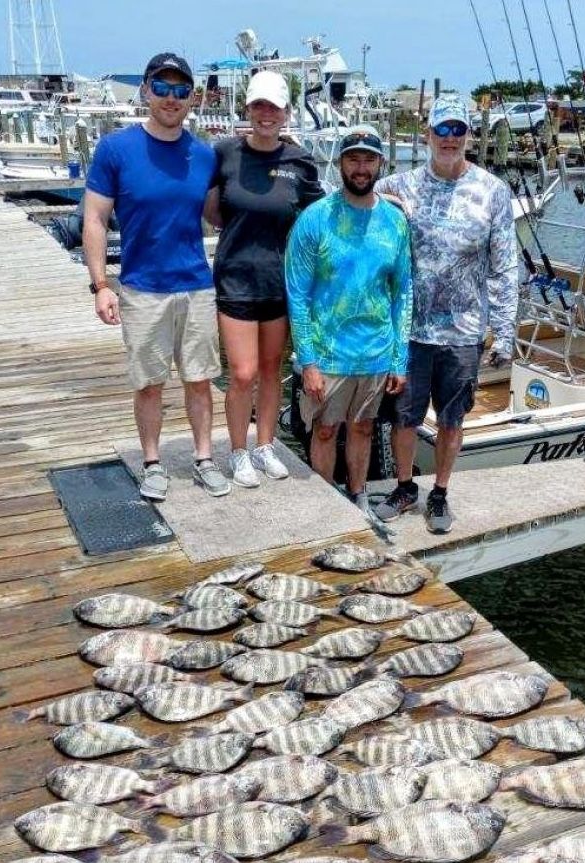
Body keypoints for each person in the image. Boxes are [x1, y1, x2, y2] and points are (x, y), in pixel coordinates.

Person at [83, 52, 230, 502]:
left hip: (196, 286)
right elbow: (94, 219)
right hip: (142, 288)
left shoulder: (204, 155)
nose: (171, 98)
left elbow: (218, 216)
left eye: (181, 90)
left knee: (200, 380)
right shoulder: (115, 149)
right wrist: (101, 285)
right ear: (146, 90)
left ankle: (204, 459)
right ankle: (152, 462)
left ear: (193, 98)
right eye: (162, 88)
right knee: (148, 383)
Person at [373, 94, 518, 534]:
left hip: (464, 332)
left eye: (458, 130)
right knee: (404, 417)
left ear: (470, 136)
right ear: (428, 135)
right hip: (409, 330)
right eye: (442, 130)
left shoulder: (494, 190)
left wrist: (505, 332)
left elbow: (505, 266)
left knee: (453, 419)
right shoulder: (396, 187)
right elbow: (349, 203)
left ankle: (439, 493)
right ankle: (404, 487)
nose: (450, 139)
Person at [285, 125, 412, 515]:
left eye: (368, 159)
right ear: (340, 164)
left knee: (363, 428)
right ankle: (326, 505)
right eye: (353, 159)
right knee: (324, 430)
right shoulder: (315, 218)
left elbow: (402, 292)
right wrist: (307, 361)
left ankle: (358, 496)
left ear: (380, 164)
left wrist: (399, 358)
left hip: (376, 351)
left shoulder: (395, 221)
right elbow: (297, 294)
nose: (361, 167)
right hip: (327, 354)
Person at [207, 70, 324, 489]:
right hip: (235, 279)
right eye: (259, 105)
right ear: (248, 109)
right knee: (241, 373)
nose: (266, 114)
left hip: (280, 282)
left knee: (272, 370)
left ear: (287, 112)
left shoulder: (300, 162)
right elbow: (210, 209)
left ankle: (266, 445)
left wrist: (381, 201)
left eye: (274, 107)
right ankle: (238, 451)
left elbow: (323, 214)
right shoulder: (223, 153)